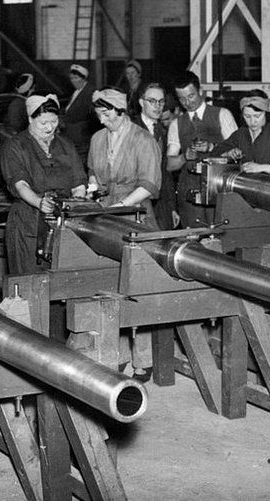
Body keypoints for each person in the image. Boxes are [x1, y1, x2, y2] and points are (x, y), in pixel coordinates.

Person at [88, 87, 161, 382]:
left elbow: (150, 184)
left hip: (137, 217)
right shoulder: (97, 138)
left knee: (138, 291)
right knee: (111, 286)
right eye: (98, 114)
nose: (102, 119)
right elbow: (93, 170)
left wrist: (121, 206)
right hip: (105, 218)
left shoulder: (143, 139)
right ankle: (116, 354)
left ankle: (143, 358)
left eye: (107, 114)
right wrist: (93, 186)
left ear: (121, 111)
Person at [0, 95, 88, 275]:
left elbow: (78, 182)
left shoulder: (66, 146)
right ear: (30, 119)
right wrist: (39, 202)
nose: (50, 128)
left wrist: (77, 203)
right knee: (28, 280)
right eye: (43, 123)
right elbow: (21, 184)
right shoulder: (15, 146)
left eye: (54, 122)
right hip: (28, 223)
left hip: (63, 223)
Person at [165, 71, 237, 227]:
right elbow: (170, 165)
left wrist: (213, 148)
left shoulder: (222, 115)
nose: (187, 102)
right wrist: (185, 157)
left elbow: (238, 155)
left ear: (200, 91)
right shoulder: (176, 124)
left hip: (219, 190)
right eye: (182, 99)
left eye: (191, 96)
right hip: (189, 194)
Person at [212, 90, 270, 177]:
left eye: (257, 116)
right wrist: (228, 153)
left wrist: (261, 168)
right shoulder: (241, 134)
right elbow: (216, 152)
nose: (252, 121)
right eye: (247, 116)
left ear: (266, 113)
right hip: (245, 185)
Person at [135, 83, 177, 228]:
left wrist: (172, 207)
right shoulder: (132, 129)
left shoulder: (163, 132)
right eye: (152, 101)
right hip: (136, 200)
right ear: (141, 102)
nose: (157, 106)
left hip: (161, 202)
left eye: (161, 101)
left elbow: (166, 173)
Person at [62, 63, 98, 157]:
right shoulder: (76, 92)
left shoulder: (90, 92)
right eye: (71, 78)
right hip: (73, 137)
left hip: (82, 139)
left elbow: (92, 118)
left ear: (83, 78)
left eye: (76, 78)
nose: (73, 81)